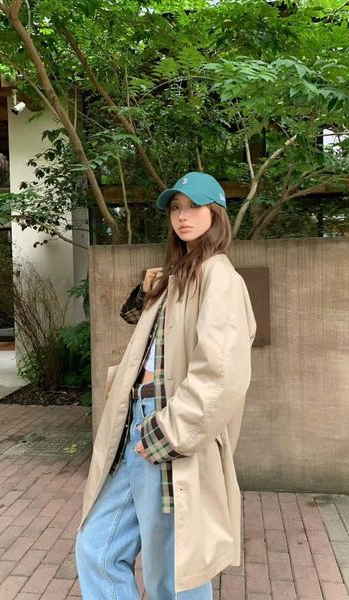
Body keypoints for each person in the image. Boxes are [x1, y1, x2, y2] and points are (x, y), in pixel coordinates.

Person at [75, 172, 257, 599]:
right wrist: (146, 291)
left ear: (216, 213)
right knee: (97, 549)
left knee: (172, 570)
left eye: (193, 206)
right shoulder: (179, 274)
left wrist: (168, 432)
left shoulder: (219, 277)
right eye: (176, 208)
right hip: (137, 426)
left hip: (167, 431)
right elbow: (146, 333)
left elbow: (221, 373)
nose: (182, 216)